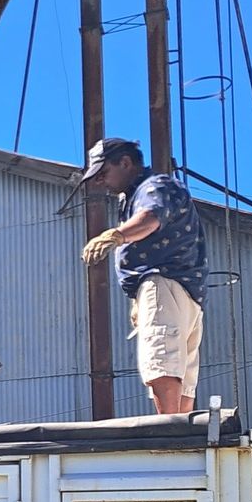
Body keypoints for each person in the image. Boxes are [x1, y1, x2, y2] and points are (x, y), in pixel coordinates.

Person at [80, 138, 208, 415]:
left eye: (103, 173)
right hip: (185, 290)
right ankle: (182, 428)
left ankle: (172, 429)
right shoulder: (139, 194)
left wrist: (116, 234)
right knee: (181, 367)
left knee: (161, 358)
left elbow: (151, 217)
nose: (101, 182)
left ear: (125, 163)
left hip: (163, 281)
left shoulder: (153, 187)